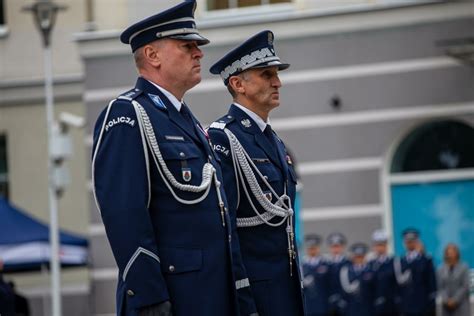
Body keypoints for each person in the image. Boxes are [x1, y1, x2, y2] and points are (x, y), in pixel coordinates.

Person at [92, 1, 255, 315]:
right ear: (152, 56)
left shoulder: (187, 121)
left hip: (213, 296)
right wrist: (149, 296)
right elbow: (124, 211)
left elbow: (219, 217)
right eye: (187, 46)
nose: (199, 53)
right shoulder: (129, 114)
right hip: (172, 298)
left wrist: (241, 296)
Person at [207, 30, 305, 316]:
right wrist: (241, 294)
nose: (278, 82)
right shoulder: (223, 138)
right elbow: (225, 229)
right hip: (254, 291)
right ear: (238, 84)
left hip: (284, 287)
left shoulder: (273, 140)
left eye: (276, 73)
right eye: (266, 74)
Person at [394, 228, 436, 316]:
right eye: (407, 241)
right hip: (406, 306)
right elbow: (398, 284)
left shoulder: (426, 259)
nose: (410, 244)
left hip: (423, 305)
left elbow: (432, 282)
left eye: (412, 241)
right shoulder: (400, 261)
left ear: (417, 242)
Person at [338, 243, 375, 316]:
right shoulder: (346, 270)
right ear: (353, 257)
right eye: (357, 257)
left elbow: (374, 287)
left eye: (361, 256)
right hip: (351, 306)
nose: (359, 259)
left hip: (367, 306)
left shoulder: (370, 269)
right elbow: (344, 288)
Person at [368, 229, 399, 316]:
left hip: (391, 305)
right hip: (375, 305)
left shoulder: (394, 261)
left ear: (386, 245)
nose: (380, 248)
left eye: (382, 245)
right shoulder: (370, 264)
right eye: (377, 245)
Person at [437, 243, 471, 316]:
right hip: (446, 307)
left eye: (452, 253)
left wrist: (455, 300)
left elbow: (465, 286)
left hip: (461, 306)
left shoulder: (464, 267)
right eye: (448, 253)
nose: (450, 255)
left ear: (457, 254)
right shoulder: (440, 269)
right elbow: (440, 287)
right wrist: (446, 300)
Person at [302, 234, 331, 316]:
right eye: (310, 248)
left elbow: (330, 283)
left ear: (318, 248)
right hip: (308, 305)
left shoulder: (326, 263)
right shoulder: (302, 265)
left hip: (323, 304)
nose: (312, 250)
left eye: (314, 248)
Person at [326, 232, 350, 316]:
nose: (335, 249)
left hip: (345, 302)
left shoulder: (348, 263)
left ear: (342, 247)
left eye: (338, 246)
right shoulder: (326, 264)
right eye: (333, 246)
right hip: (330, 303)